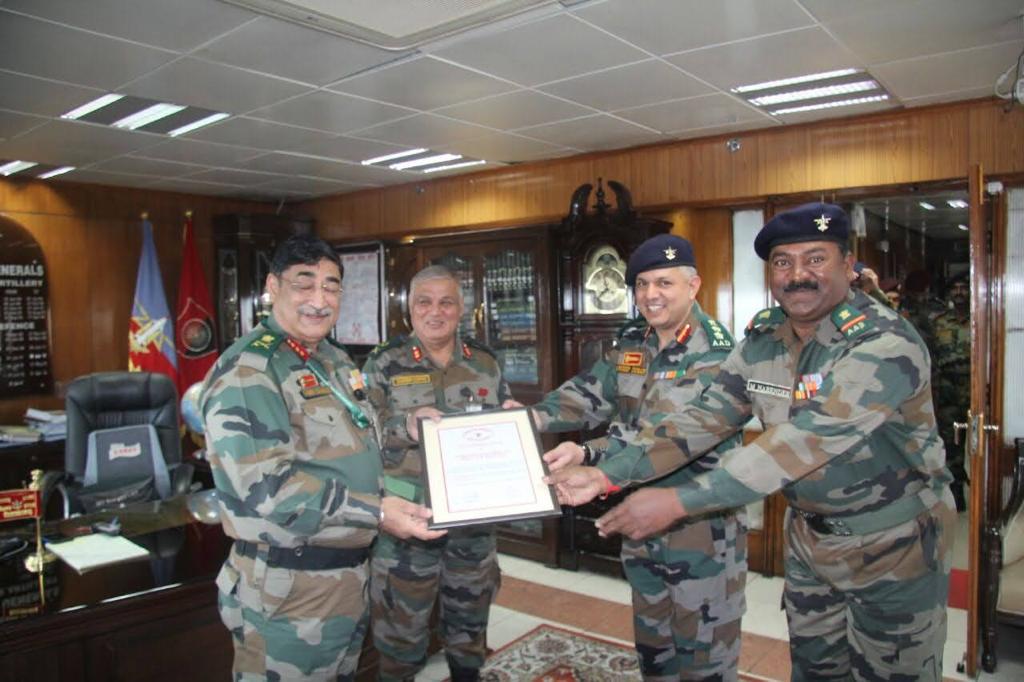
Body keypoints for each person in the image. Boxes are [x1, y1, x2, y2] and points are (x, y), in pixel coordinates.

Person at [547, 203, 955, 681]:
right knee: (815, 672)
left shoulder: (883, 344)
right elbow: (701, 420)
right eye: (783, 262)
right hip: (809, 542)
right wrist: (605, 473)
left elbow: (797, 445)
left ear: (847, 265)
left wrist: (677, 501)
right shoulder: (763, 340)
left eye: (815, 259)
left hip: (894, 546)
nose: (797, 275)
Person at [200, 234, 444, 681]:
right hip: (288, 589)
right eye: (304, 284)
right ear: (273, 287)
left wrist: (406, 427)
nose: (319, 300)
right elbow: (268, 489)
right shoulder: (250, 372)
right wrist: (377, 512)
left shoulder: (330, 358)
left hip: (344, 580)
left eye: (331, 286)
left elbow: (355, 435)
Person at [530, 233, 746, 681]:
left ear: (693, 285)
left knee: (704, 658)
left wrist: (596, 463)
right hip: (639, 522)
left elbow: (670, 436)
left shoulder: (720, 355)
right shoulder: (634, 342)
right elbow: (589, 393)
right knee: (654, 650)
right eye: (642, 284)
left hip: (700, 529)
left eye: (664, 283)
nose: (650, 295)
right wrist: (530, 418)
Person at [362, 265, 512, 682]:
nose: (435, 312)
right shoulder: (383, 362)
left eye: (446, 302)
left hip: (472, 522)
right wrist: (405, 426)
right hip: (408, 522)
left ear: (461, 309)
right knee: (400, 640)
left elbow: (502, 427)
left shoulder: (485, 362)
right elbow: (362, 434)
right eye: (424, 302)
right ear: (409, 309)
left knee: (469, 632)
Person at [931, 273, 971, 511]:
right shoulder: (939, 322)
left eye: (963, 288)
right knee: (951, 443)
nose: (959, 292)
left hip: (975, 390)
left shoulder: (981, 320)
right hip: (948, 392)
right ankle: (956, 491)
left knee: (979, 442)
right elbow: (932, 358)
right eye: (955, 288)